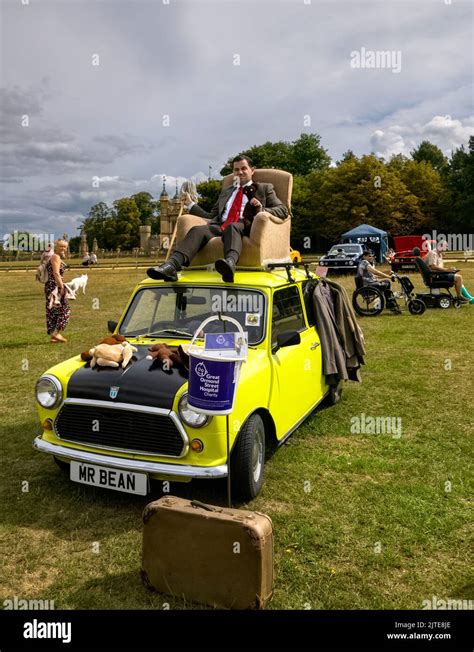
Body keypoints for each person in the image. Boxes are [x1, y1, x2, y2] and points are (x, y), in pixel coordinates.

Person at [147, 155, 289, 283]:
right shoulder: (227, 192)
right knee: (198, 230)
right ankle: (171, 266)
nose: (239, 172)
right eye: (236, 170)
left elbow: (283, 210)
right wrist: (191, 204)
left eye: (243, 169)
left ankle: (229, 264)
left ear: (252, 170)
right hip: (221, 225)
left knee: (233, 226)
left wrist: (262, 210)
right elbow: (210, 216)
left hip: (246, 226)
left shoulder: (264, 188)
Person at [45, 239, 71, 343]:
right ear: (55, 247)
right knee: (65, 309)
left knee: (54, 310)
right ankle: (56, 334)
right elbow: (56, 273)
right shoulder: (56, 257)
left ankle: (54, 335)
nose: (63, 248)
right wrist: (62, 287)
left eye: (65, 246)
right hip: (54, 286)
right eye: (61, 246)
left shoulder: (55, 256)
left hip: (51, 285)